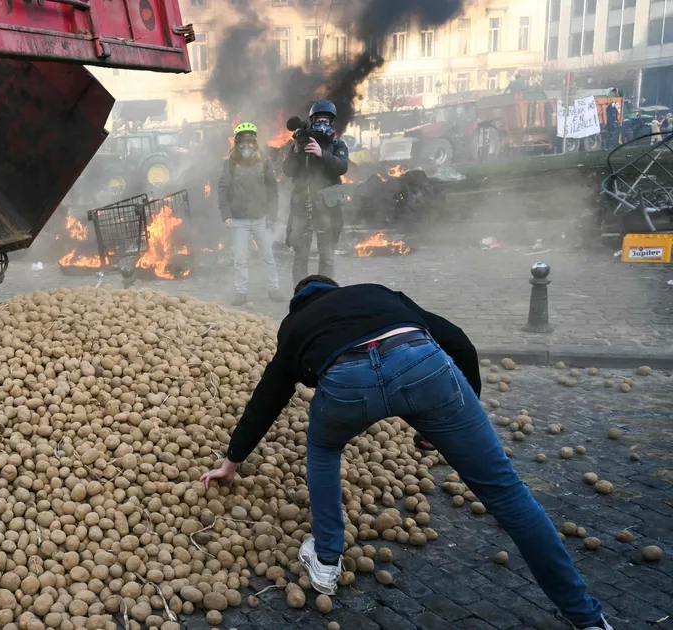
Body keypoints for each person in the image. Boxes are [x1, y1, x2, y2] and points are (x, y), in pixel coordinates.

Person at [200, 276, 612, 630]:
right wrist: (459, 412)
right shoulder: (378, 293)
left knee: (324, 450)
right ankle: (587, 618)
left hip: (347, 383)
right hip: (423, 365)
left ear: (298, 302)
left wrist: (232, 461)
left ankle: (325, 560)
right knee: (508, 495)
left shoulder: (294, 325)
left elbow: (268, 397)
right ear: (338, 290)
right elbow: (459, 342)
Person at [283, 100, 349, 285]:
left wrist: (323, 154)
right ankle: (302, 292)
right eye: (319, 120)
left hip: (327, 209)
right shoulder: (300, 144)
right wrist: (296, 151)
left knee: (326, 255)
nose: (322, 125)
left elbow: (342, 167)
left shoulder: (338, 146)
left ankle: (325, 292)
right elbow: (288, 171)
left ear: (332, 123)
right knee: (300, 256)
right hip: (303, 207)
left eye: (327, 121)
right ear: (312, 120)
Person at [216, 122, 282, 306]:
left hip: (260, 217)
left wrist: (272, 215)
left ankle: (273, 288)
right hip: (238, 219)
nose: (247, 145)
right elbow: (223, 189)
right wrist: (226, 215)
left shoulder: (264, 162)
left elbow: (273, 189)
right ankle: (241, 291)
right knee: (240, 258)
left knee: (268, 255)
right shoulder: (229, 164)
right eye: (243, 142)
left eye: (250, 141)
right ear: (237, 143)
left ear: (255, 142)